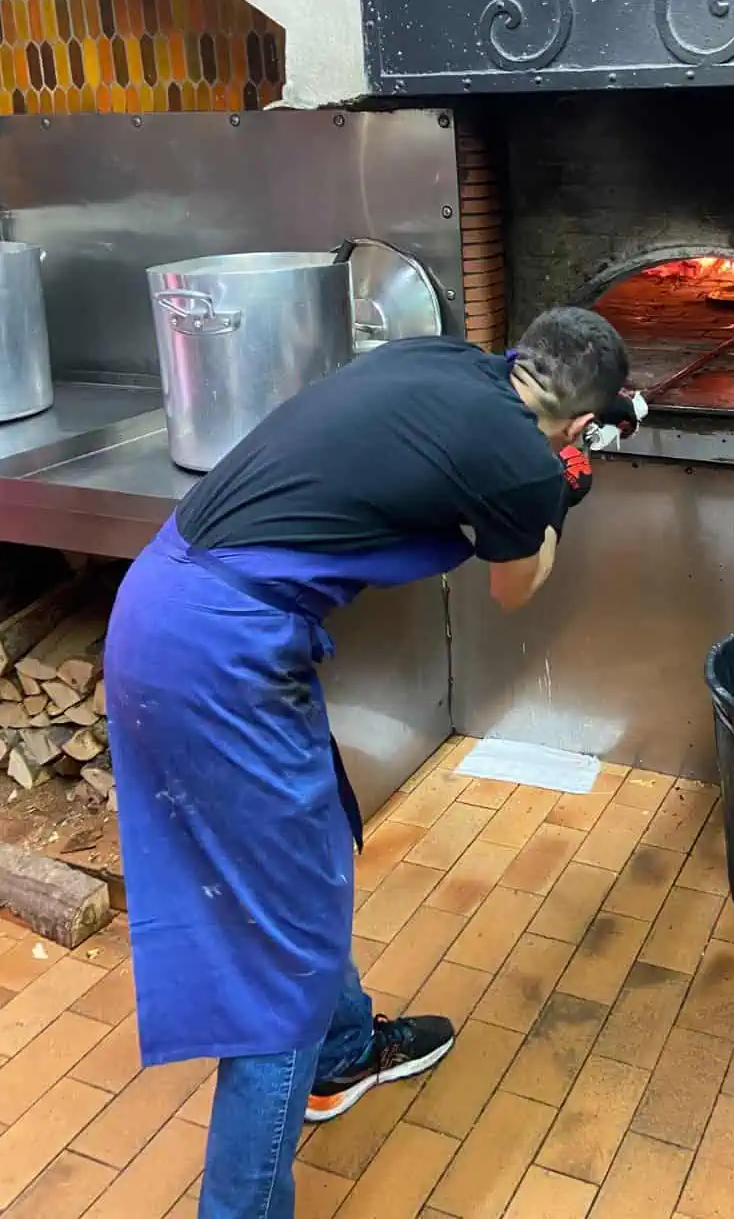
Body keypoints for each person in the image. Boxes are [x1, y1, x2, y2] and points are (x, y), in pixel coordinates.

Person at [104, 307, 634, 1219]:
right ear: (579, 425)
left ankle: (343, 1052)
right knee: (279, 971)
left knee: (304, 865)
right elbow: (519, 586)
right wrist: (562, 492)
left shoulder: (447, 362)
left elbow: (481, 451)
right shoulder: (520, 459)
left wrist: (554, 464)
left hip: (168, 602)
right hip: (222, 651)